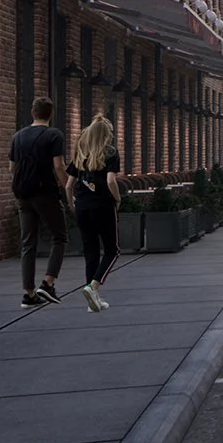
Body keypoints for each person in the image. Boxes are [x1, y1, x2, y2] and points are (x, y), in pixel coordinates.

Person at [9, 97, 70, 308]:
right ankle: (48, 282)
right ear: (50, 114)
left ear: (32, 113)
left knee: (28, 242)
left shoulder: (18, 136)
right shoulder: (54, 135)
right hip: (45, 193)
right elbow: (59, 166)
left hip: (22, 194)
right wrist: (68, 190)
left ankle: (28, 293)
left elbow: (12, 168)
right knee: (60, 236)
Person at [69, 112, 122, 313]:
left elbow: (68, 185)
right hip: (102, 206)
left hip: (82, 206)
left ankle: (93, 301)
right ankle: (94, 286)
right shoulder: (110, 153)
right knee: (112, 250)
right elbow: (110, 181)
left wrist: (71, 203)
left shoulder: (80, 153)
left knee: (90, 251)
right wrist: (117, 198)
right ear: (106, 134)